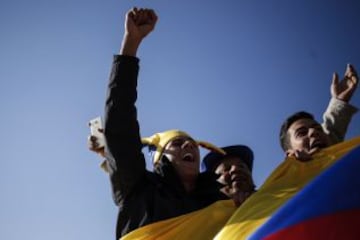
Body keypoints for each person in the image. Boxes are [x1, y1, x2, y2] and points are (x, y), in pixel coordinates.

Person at [93, 7, 249, 239]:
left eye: (191, 143)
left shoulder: (219, 203)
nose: (188, 146)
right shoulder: (139, 189)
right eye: (177, 143)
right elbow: (120, 121)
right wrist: (131, 43)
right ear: (160, 158)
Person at [279, 64, 358, 161]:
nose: (314, 132)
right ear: (289, 154)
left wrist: (338, 101)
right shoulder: (287, 175)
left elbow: (332, 131)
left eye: (319, 129)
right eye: (302, 133)